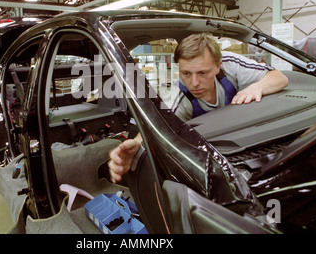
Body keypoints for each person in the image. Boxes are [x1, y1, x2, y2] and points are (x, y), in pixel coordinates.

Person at [108, 33, 289, 183]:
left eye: (203, 73)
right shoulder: (178, 96)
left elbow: (279, 78)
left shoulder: (231, 64)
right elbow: (157, 124)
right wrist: (138, 146)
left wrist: (256, 87)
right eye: (186, 73)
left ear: (218, 66)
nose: (194, 83)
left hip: (251, 142)